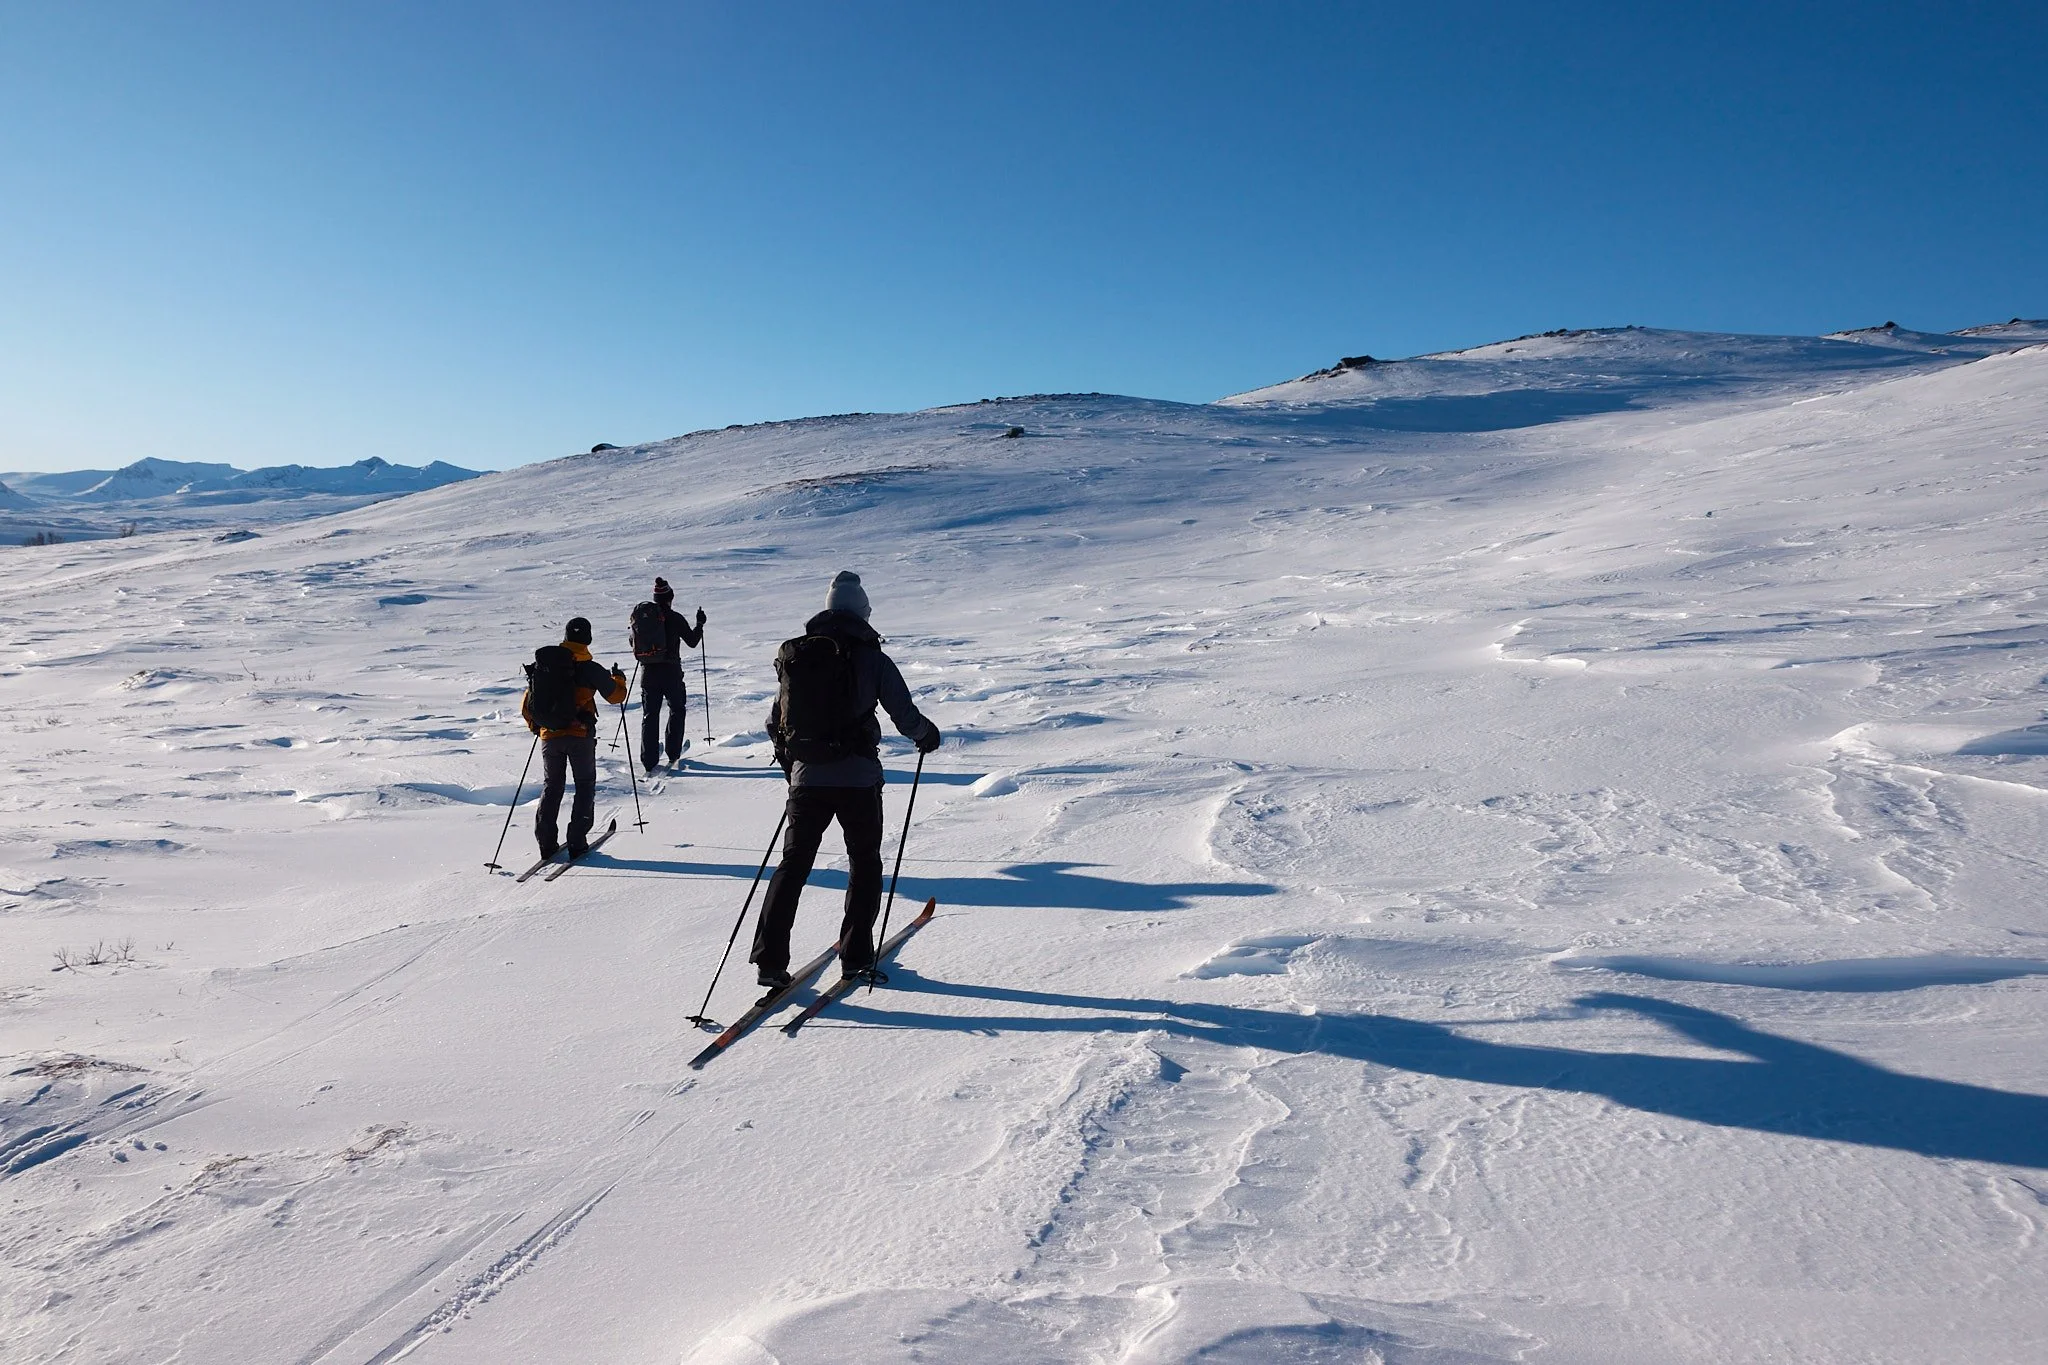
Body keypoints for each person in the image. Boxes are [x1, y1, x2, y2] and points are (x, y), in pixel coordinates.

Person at [750, 570, 941, 990]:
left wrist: (795, 766)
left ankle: (769, 959)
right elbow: (904, 715)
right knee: (864, 865)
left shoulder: (798, 657)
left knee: (794, 865)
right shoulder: (872, 657)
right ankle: (855, 957)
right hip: (858, 781)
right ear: (863, 612)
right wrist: (928, 735)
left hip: (806, 782)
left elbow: (774, 721)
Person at [522, 616, 629, 860]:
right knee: (584, 784)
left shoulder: (547, 666)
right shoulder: (589, 668)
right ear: (588, 639)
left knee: (552, 786)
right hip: (580, 735)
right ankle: (577, 842)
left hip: (550, 736)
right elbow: (615, 697)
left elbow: (528, 703)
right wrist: (619, 679)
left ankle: (546, 844)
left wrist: (539, 728)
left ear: (566, 637)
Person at [629, 577, 706, 776]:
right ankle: (673, 751)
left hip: (648, 673)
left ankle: (649, 759)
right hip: (671, 672)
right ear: (670, 598)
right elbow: (692, 641)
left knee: (650, 714)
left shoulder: (643, 619)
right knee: (677, 709)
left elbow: (633, 643)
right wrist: (699, 624)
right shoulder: (675, 618)